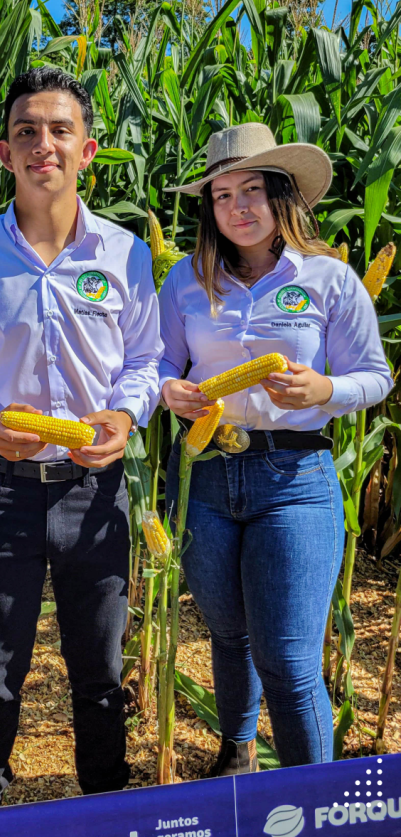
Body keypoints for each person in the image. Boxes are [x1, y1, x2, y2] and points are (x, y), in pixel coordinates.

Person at [0, 66, 163, 810]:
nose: (43, 145)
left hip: (96, 492)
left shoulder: (124, 255)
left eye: (60, 130)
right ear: (4, 152)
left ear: (88, 150)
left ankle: (107, 802)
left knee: (99, 668)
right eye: (26, 131)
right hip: (0, 488)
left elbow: (147, 360)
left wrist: (125, 418)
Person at [158, 123, 393, 773]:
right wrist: (169, 391)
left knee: (287, 659)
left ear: (282, 195)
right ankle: (237, 761)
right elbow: (153, 364)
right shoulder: (186, 279)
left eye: (252, 190)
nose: (236, 206)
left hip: (293, 476)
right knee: (229, 638)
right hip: (203, 476)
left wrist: (325, 386)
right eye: (222, 194)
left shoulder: (329, 279)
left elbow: (375, 376)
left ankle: (313, 798)